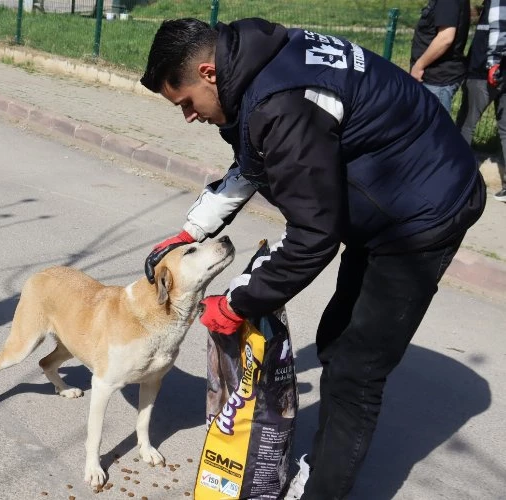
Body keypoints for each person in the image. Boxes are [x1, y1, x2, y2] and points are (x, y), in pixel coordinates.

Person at [140, 17, 485, 499]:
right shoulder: (251, 71)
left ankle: (323, 488)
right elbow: (252, 161)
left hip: (423, 212)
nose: (189, 117)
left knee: (356, 369)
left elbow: (312, 235)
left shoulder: (281, 102)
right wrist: (190, 231)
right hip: (385, 194)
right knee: (337, 335)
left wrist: (238, 303)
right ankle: (327, 456)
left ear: (207, 71)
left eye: (186, 103)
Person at [456, 0, 506, 202]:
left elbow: (498, 27)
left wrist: (493, 63)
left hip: (485, 73)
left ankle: (457, 181)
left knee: (465, 126)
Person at [410, 0, 471, 112]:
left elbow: (445, 38)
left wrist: (419, 66)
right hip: (433, 76)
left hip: (438, 79)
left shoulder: (448, 2)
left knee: (435, 126)